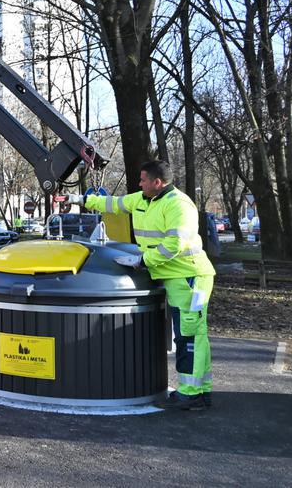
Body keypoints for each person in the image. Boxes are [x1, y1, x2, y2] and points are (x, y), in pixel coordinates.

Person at [69, 160, 216, 411]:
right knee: (191, 334)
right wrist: (78, 198)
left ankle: (192, 393)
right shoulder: (142, 199)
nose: (139, 183)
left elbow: (174, 245)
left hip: (190, 278)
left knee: (190, 335)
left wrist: (142, 261)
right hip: (174, 276)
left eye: (143, 180)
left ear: (157, 183)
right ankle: (199, 391)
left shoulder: (179, 205)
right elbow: (113, 204)